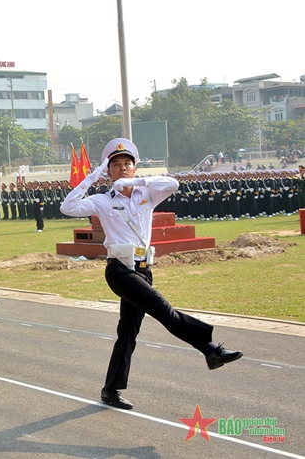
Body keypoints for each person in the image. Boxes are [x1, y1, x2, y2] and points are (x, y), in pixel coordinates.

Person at [61, 138, 243, 410]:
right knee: (162, 308)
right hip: (120, 271)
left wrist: (138, 184)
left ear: (135, 169)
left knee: (128, 332)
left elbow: (173, 184)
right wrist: (92, 177)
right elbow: (68, 206)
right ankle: (210, 349)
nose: (122, 169)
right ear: (108, 172)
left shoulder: (146, 194)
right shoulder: (101, 201)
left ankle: (110, 390)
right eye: (116, 165)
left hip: (144, 269)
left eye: (127, 164)